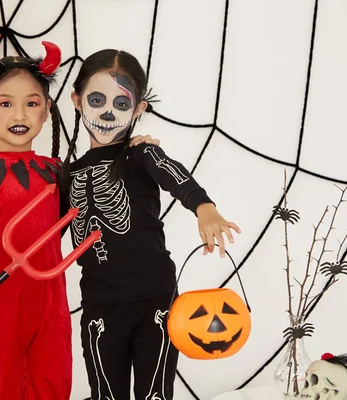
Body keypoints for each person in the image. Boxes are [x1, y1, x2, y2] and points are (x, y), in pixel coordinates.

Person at [0, 37, 161, 400]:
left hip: (51, 309)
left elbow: (100, 198)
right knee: (1, 389)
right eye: (5, 104)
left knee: (53, 387)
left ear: (46, 110)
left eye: (31, 103)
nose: (19, 115)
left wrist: (133, 150)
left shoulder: (59, 173)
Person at [59, 49, 241, 400]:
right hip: (99, 307)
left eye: (121, 103)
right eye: (96, 100)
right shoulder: (68, 174)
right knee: (106, 396)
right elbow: (45, 232)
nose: (108, 112)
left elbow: (176, 178)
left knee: (155, 395)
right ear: (77, 101)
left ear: (139, 109)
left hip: (155, 302)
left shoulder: (142, 153)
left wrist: (205, 208)